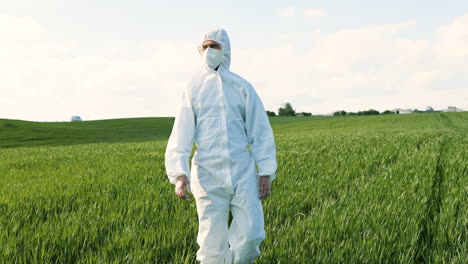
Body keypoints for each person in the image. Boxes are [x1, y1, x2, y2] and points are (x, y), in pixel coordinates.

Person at [165, 28, 277, 264]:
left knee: (251, 235)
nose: (208, 52)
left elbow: (260, 130)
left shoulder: (242, 87)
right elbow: (182, 131)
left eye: (213, 46)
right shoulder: (193, 88)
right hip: (207, 174)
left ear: (224, 50)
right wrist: (179, 173)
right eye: (204, 47)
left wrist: (265, 170)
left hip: (242, 171)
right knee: (211, 245)